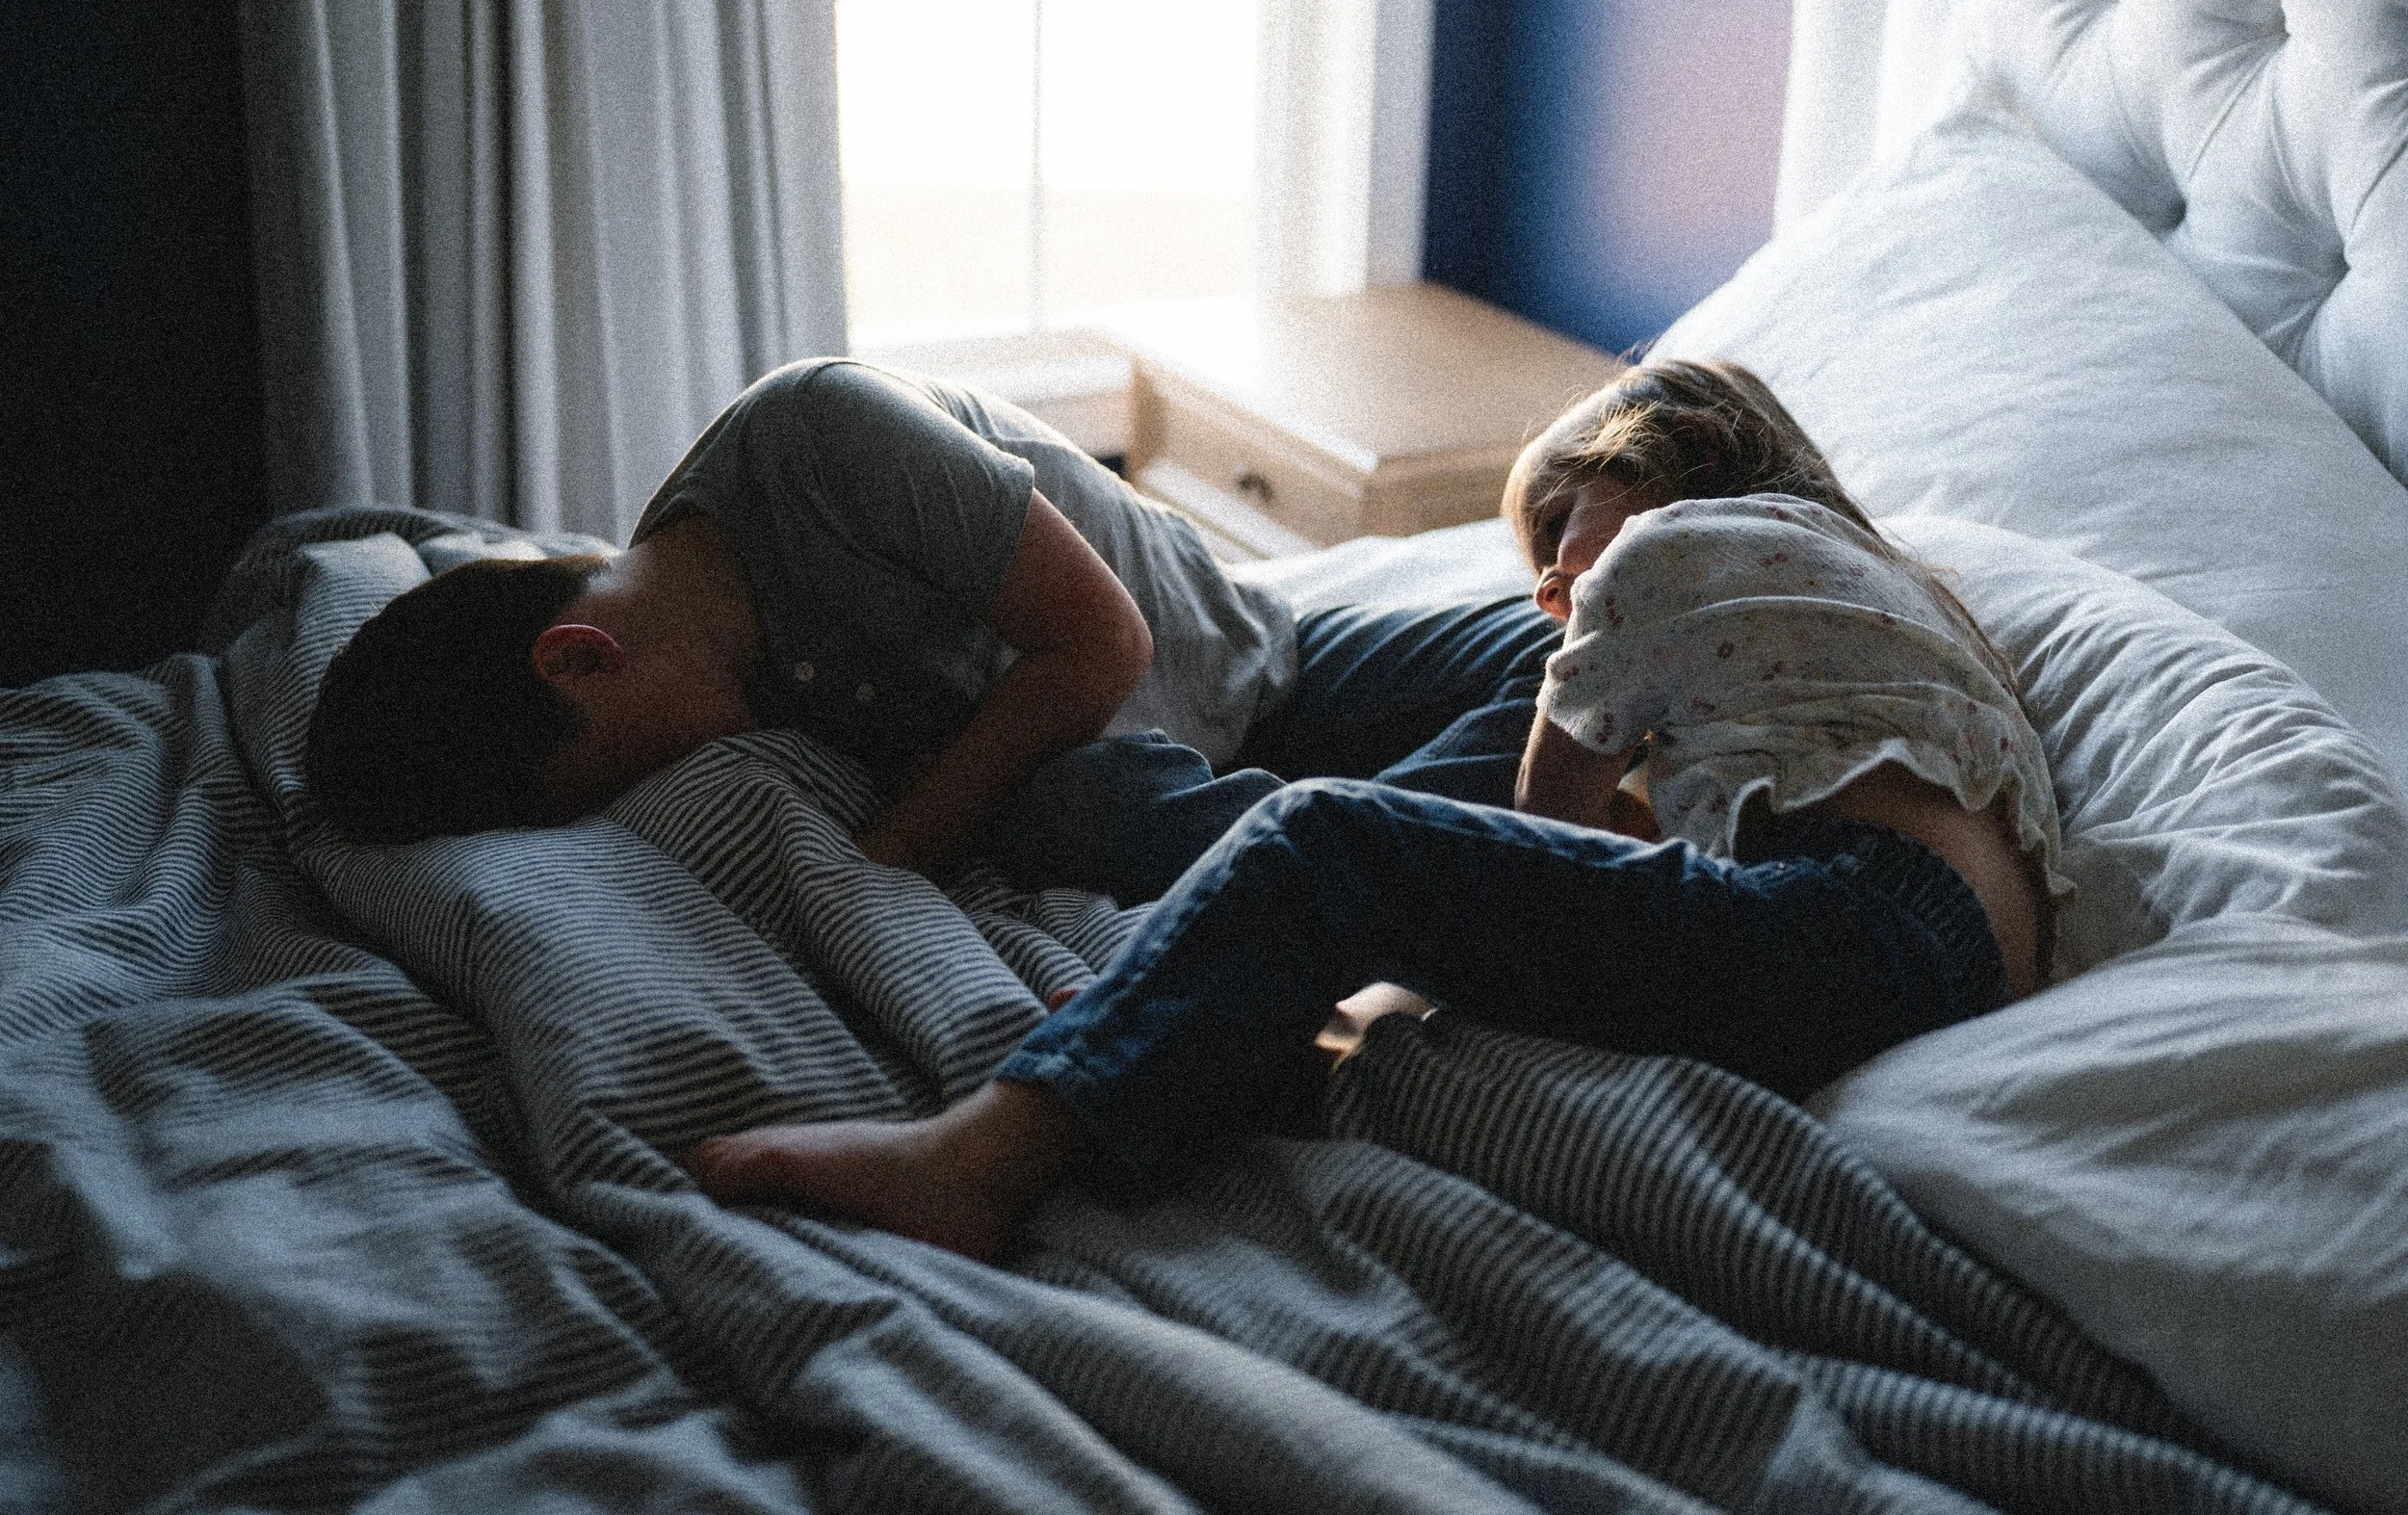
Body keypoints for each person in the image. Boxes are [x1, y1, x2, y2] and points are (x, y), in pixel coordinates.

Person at [679, 358, 2071, 1262]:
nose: (1548, 592)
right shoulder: (1905, 594)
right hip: (1955, 952)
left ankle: (982, 1156)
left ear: (1679, 455)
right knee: (1374, 853)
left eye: (1560, 533)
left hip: (1847, 926)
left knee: (1329, 838)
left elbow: (1550, 826)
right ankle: (1217, 1011)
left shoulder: (1666, 553)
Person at [306, 357, 1561, 887]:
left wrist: (900, 848)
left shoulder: (819, 436)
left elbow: (1106, 643)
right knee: (1074, 805)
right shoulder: (706, 660)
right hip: (1119, 769)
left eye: (599, 767)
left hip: (1252, 663)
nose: (637, 789)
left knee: (1576, 657)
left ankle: (1406, 839)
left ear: (581, 651)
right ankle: (1408, 847)